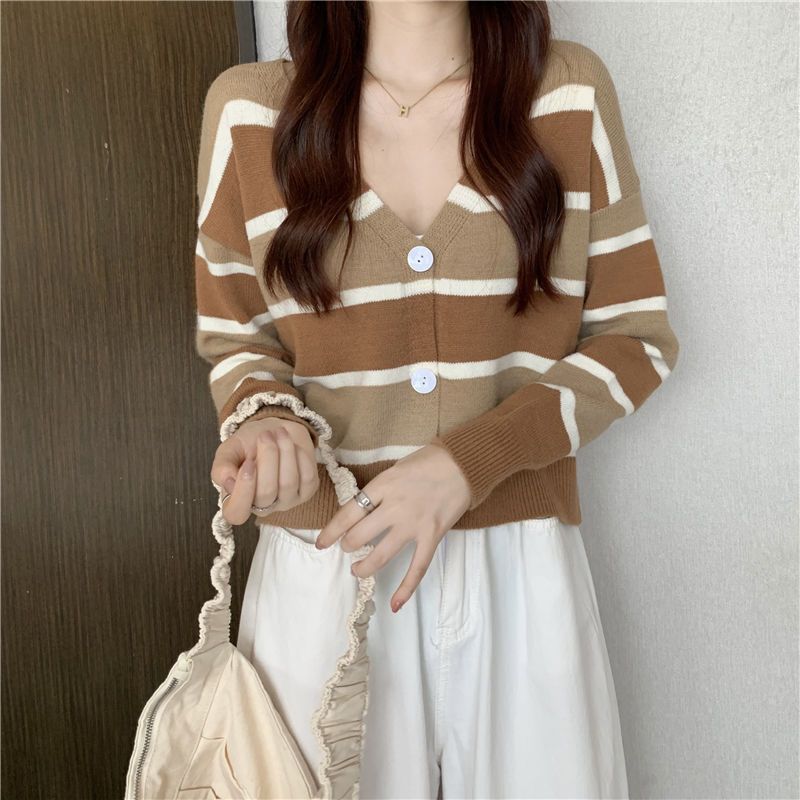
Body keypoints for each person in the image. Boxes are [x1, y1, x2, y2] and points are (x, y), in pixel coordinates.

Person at [193, 2, 680, 797]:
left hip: (520, 572)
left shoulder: (567, 92)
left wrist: (469, 463)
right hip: (326, 573)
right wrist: (269, 422)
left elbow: (636, 340)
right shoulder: (251, 111)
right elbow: (239, 340)